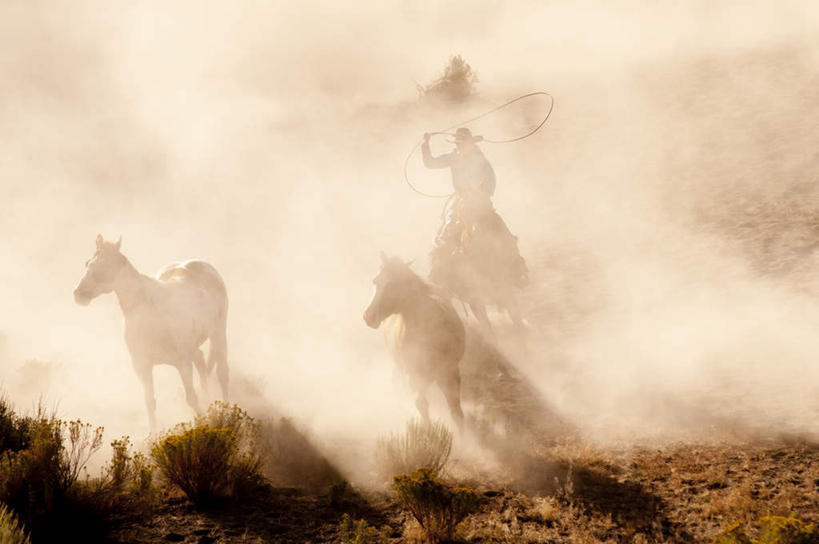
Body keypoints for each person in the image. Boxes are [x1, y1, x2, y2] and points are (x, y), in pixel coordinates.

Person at [421, 127, 528, 297]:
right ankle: (439, 276)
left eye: (462, 143)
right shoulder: (453, 157)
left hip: (480, 201)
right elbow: (430, 163)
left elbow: (490, 182)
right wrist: (425, 145)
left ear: (470, 144)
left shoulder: (480, 160)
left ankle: (517, 269)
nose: (459, 146)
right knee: (444, 236)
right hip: (460, 201)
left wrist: (480, 196)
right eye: (458, 143)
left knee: (502, 232)